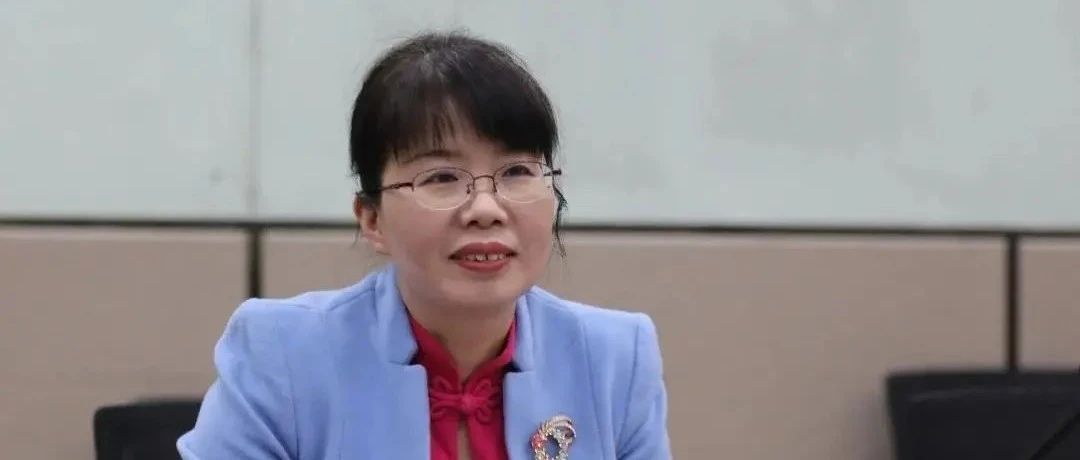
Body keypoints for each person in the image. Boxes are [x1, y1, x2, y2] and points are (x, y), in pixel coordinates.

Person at [177, 31, 670, 460]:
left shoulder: (614, 360)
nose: (486, 208)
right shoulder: (282, 355)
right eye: (441, 177)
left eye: (517, 171)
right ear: (372, 219)